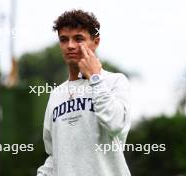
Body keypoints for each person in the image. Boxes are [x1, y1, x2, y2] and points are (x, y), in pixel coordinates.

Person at [37, 10, 131, 176]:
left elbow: (116, 124)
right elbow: (54, 155)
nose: (70, 45)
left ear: (95, 42)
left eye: (78, 38)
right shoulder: (56, 94)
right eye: (64, 40)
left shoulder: (115, 81)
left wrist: (95, 77)